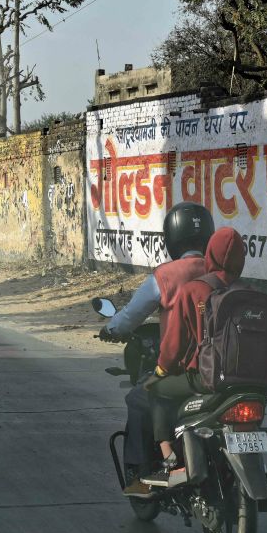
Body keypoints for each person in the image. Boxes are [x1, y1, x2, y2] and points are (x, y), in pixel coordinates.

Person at [98, 201, 214, 498]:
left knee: (140, 398)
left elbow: (130, 317)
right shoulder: (223, 273)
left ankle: (144, 472)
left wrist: (111, 329)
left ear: (171, 238)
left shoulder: (165, 276)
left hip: (186, 369)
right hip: (225, 368)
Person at [143, 226, 246, 484]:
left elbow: (173, 345)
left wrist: (160, 372)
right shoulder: (249, 292)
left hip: (206, 377)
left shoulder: (194, 290)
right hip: (248, 380)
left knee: (156, 390)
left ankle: (168, 455)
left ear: (210, 254)